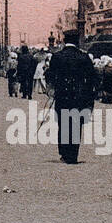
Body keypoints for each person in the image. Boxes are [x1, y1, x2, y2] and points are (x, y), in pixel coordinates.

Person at [44, 30, 97, 164]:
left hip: (62, 95)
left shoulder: (57, 56)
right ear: (77, 41)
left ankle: (64, 153)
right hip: (80, 96)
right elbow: (93, 78)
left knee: (63, 123)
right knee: (76, 124)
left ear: (63, 40)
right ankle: (73, 155)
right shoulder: (84, 57)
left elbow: (49, 75)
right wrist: (90, 96)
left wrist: (53, 89)